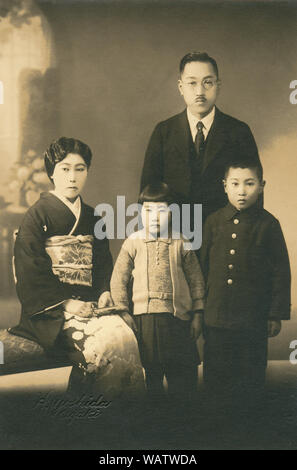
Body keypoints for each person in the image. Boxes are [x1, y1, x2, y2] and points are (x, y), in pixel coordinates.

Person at [10, 137, 144, 399]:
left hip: (90, 303)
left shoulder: (93, 216)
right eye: (65, 168)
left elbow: (103, 262)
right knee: (104, 344)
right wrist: (67, 303)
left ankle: (117, 419)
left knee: (124, 335)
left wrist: (105, 291)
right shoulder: (36, 215)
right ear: (51, 172)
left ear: (87, 172)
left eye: (80, 169)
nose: (72, 177)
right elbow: (30, 271)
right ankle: (88, 414)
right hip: (51, 312)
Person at [199, 158, 291, 420]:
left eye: (249, 184)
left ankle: (248, 428)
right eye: (235, 184)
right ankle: (217, 427)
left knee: (250, 377)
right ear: (224, 186)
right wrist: (199, 307)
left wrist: (274, 314)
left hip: (253, 318)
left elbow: (281, 273)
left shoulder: (269, 225)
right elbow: (201, 267)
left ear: (261, 186)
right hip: (216, 317)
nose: (242, 190)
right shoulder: (213, 222)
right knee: (216, 375)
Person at [110, 182, 205, 403]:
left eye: (161, 210)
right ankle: (155, 423)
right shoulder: (133, 242)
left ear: (172, 213)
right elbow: (118, 280)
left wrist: (198, 314)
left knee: (182, 377)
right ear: (140, 212)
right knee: (150, 375)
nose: (154, 217)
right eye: (148, 211)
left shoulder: (182, 241)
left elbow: (196, 280)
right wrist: (124, 312)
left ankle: (181, 421)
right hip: (146, 321)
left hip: (178, 320)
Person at [140, 52, 262, 223]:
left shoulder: (238, 132)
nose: (200, 91)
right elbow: (148, 192)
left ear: (218, 85)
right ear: (181, 87)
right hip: (174, 234)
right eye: (192, 83)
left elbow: (254, 191)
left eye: (207, 83)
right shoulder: (164, 132)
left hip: (224, 236)